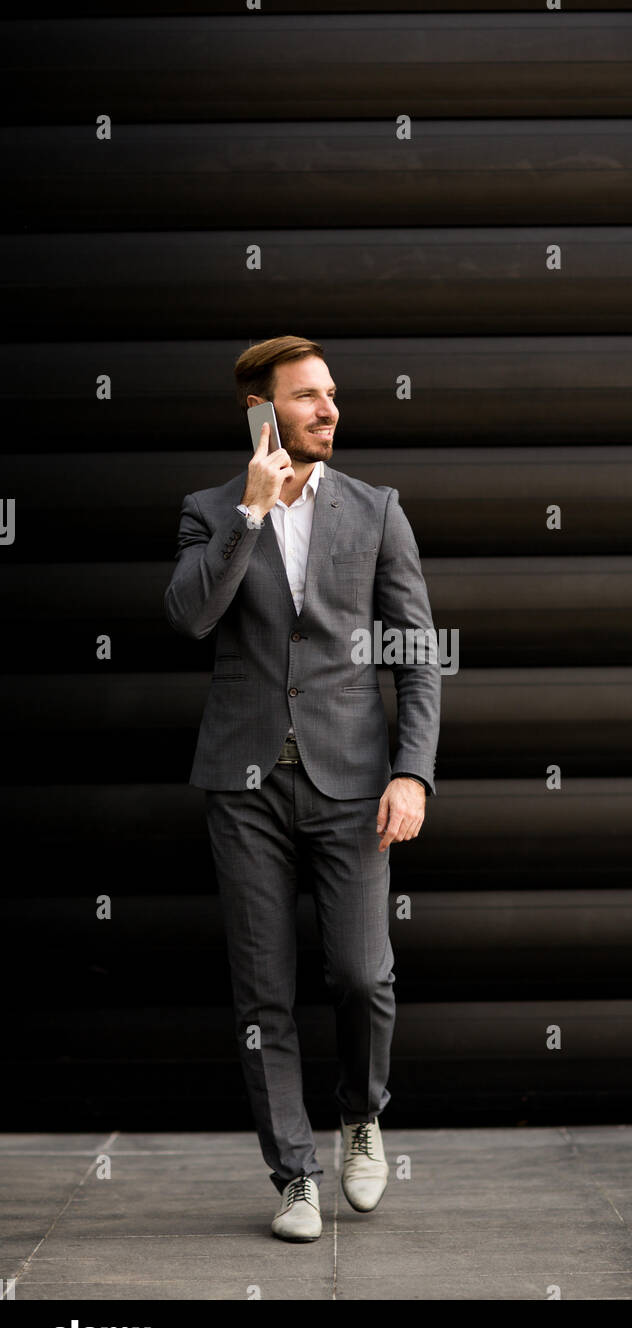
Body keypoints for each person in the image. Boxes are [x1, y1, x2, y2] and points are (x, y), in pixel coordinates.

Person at [164, 335, 441, 1242]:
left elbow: (416, 654)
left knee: (362, 975)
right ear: (261, 412)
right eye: (306, 397)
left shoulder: (376, 509)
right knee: (263, 992)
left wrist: (411, 771)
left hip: (353, 783)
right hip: (243, 786)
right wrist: (250, 512)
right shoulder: (210, 511)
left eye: (331, 394)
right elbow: (190, 616)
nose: (329, 410)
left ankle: (361, 1113)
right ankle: (294, 1175)